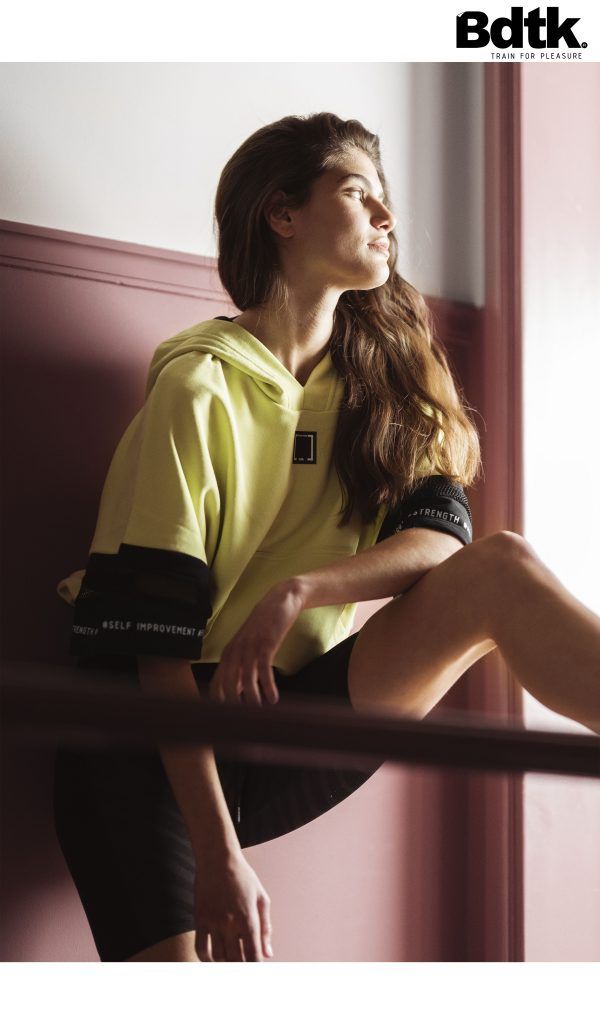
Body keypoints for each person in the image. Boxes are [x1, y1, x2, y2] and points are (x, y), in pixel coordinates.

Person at [52, 111, 600, 965]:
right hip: (145, 746)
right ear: (283, 214)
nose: (386, 215)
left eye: (385, 198)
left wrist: (302, 590)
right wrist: (220, 857)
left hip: (279, 711)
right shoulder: (198, 390)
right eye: (356, 193)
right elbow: (153, 658)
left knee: (502, 567)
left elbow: (442, 541)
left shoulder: (376, 383)